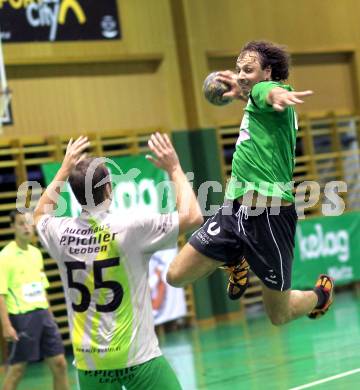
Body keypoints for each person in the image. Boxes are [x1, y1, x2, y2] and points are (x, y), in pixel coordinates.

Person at [166, 40, 334, 325]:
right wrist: (241, 93)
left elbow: (269, 93)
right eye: (238, 69)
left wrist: (276, 94)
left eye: (249, 69)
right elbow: (260, 97)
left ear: (267, 72)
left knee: (279, 315)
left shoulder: (265, 93)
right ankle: (234, 259)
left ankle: (320, 296)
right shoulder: (256, 103)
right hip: (234, 211)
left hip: (270, 218)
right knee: (175, 275)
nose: (241, 75)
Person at [33, 133, 203, 389]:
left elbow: (38, 214)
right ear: (109, 188)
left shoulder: (60, 233)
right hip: (137, 357)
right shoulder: (129, 227)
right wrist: (175, 168)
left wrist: (63, 170)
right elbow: (192, 216)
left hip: (91, 364)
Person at [0, 210, 69, 390]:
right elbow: (1, 293)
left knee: (60, 363)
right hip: (21, 317)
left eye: (29, 223)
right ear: (12, 227)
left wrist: (50, 315)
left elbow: (41, 286)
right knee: (17, 369)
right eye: (21, 223)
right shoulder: (5, 256)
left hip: (43, 314)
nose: (26, 227)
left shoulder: (36, 253)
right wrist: (6, 325)